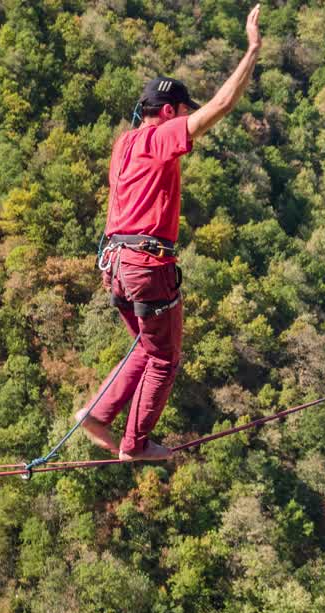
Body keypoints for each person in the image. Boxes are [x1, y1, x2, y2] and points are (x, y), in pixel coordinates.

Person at [74, 5, 262, 461]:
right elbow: (220, 107)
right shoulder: (159, 140)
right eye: (180, 112)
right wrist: (252, 50)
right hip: (146, 266)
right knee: (164, 358)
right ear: (167, 111)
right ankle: (134, 446)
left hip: (116, 265)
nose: (184, 119)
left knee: (147, 343)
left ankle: (97, 416)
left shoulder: (124, 144)